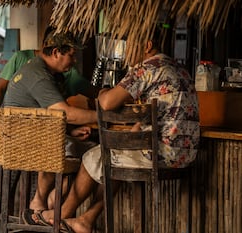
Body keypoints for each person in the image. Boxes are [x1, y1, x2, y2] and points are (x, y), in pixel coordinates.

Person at [34, 25, 200, 233]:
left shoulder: (147, 68)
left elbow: (107, 103)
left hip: (160, 153)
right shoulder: (179, 69)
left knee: (92, 157)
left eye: (130, 45)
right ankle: (86, 219)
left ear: (147, 45)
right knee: (114, 158)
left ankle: (61, 215)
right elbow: (162, 116)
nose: (126, 51)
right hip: (186, 155)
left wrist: (104, 93)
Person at [0, 27, 100, 206]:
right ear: (56, 52)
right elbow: (66, 113)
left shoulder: (41, 70)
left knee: (79, 150)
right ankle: (41, 206)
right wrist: (103, 116)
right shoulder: (39, 76)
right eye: (71, 55)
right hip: (23, 144)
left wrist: (70, 131)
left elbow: (47, 116)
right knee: (93, 154)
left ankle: (42, 207)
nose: (75, 60)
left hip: (24, 139)